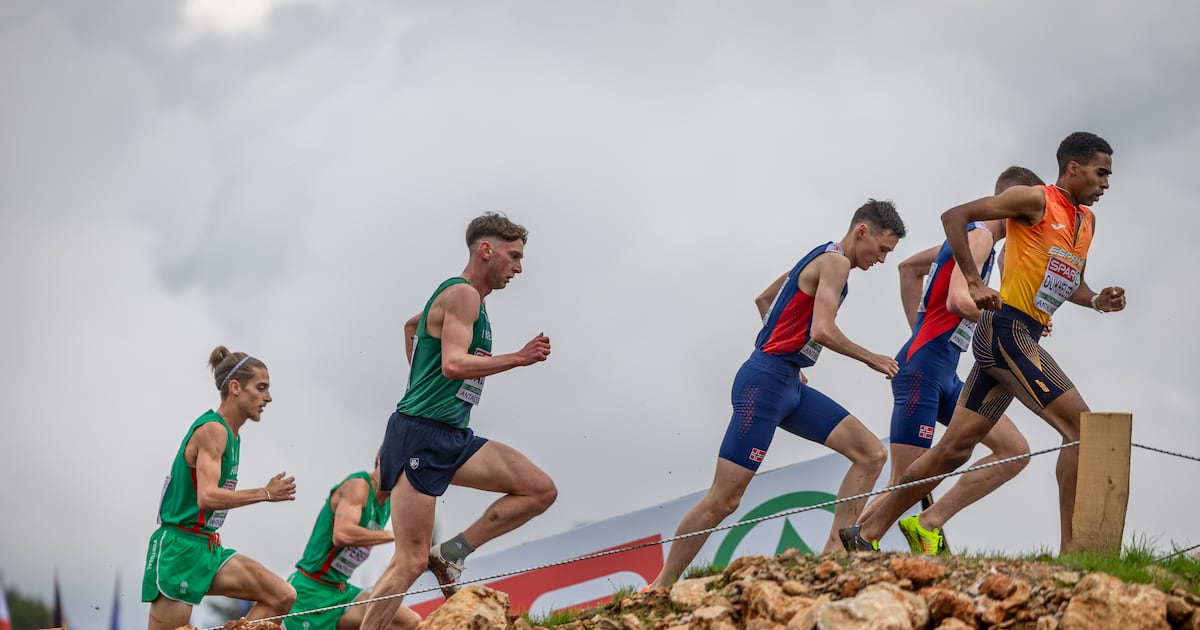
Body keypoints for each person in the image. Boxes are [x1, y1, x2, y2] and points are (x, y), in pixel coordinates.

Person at [842, 132, 1125, 554]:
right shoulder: (1035, 200)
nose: (1106, 183)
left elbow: (1072, 282)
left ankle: (866, 533)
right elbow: (954, 216)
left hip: (1017, 335)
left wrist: (1097, 300)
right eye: (1101, 173)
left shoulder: (1087, 223)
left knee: (955, 449)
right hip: (1006, 332)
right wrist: (973, 281)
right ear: (1073, 168)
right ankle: (1075, 553)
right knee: (1081, 429)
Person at [646, 199, 906, 590]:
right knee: (724, 499)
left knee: (871, 453)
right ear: (862, 231)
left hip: (786, 381)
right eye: (883, 249)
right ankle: (661, 584)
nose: (882, 260)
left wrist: (790, 354)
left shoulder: (818, 257)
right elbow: (822, 330)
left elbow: (765, 300)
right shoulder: (835, 263)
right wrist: (870, 358)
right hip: (764, 384)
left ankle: (833, 558)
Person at [361, 212, 557, 630]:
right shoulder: (463, 294)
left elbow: (412, 325)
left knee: (539, 490)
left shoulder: (473, 304)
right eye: (514, 256)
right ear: (486, 250)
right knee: (410, 560)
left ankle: (452, 552)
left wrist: (418, 383)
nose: (519, 268)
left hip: (450, 435)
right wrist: (519, 358)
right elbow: (452, 364)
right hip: (420, 436)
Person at [856, 167, 1045, 555]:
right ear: (1015, 206)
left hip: (942, 370)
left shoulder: (973, 241)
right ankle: (846, 550)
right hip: (923, 371)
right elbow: (958, 300)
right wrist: (1012, 320)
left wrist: (920, 330)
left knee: (1013, 449)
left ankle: (929, 525)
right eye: (1032, 212)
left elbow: (908, 268)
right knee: (905, 484)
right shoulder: (978, 237)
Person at [142, 346, 298, 630]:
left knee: (282, 595)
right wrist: (265, 493)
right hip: (180, 549)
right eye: (261, 388)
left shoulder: (232, 435)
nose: (268, 397)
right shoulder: (213, 430)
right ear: (236, 387)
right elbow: (207, 496)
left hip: (208, 546)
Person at [284, 458, 420, 630]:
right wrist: (395, 535)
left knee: (408, 621)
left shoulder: (389, 502)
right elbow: (342, 534)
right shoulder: (359, 486)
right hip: (311, 591)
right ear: (380, 459)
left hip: (342, 593)